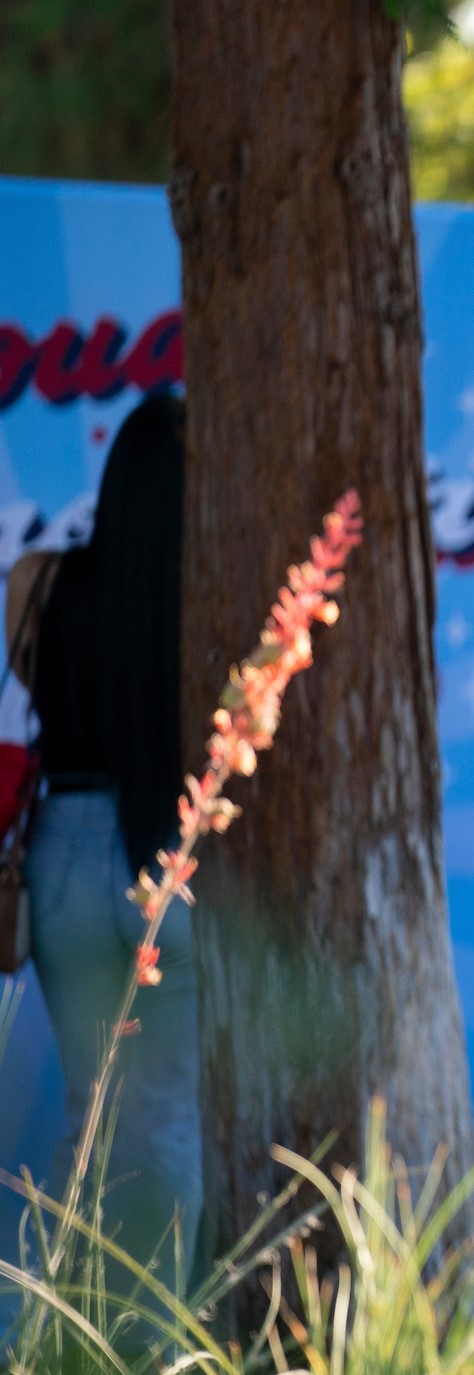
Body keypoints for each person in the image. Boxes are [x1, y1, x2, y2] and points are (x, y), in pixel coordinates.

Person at [7, 392, 198, 1289]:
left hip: (64, 850)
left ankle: (53, 1354)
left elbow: (29, 672)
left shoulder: (38, 580)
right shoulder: (207, 594)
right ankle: (155, 1371)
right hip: (169, 849)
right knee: (166, 1118)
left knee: (92, 1111)